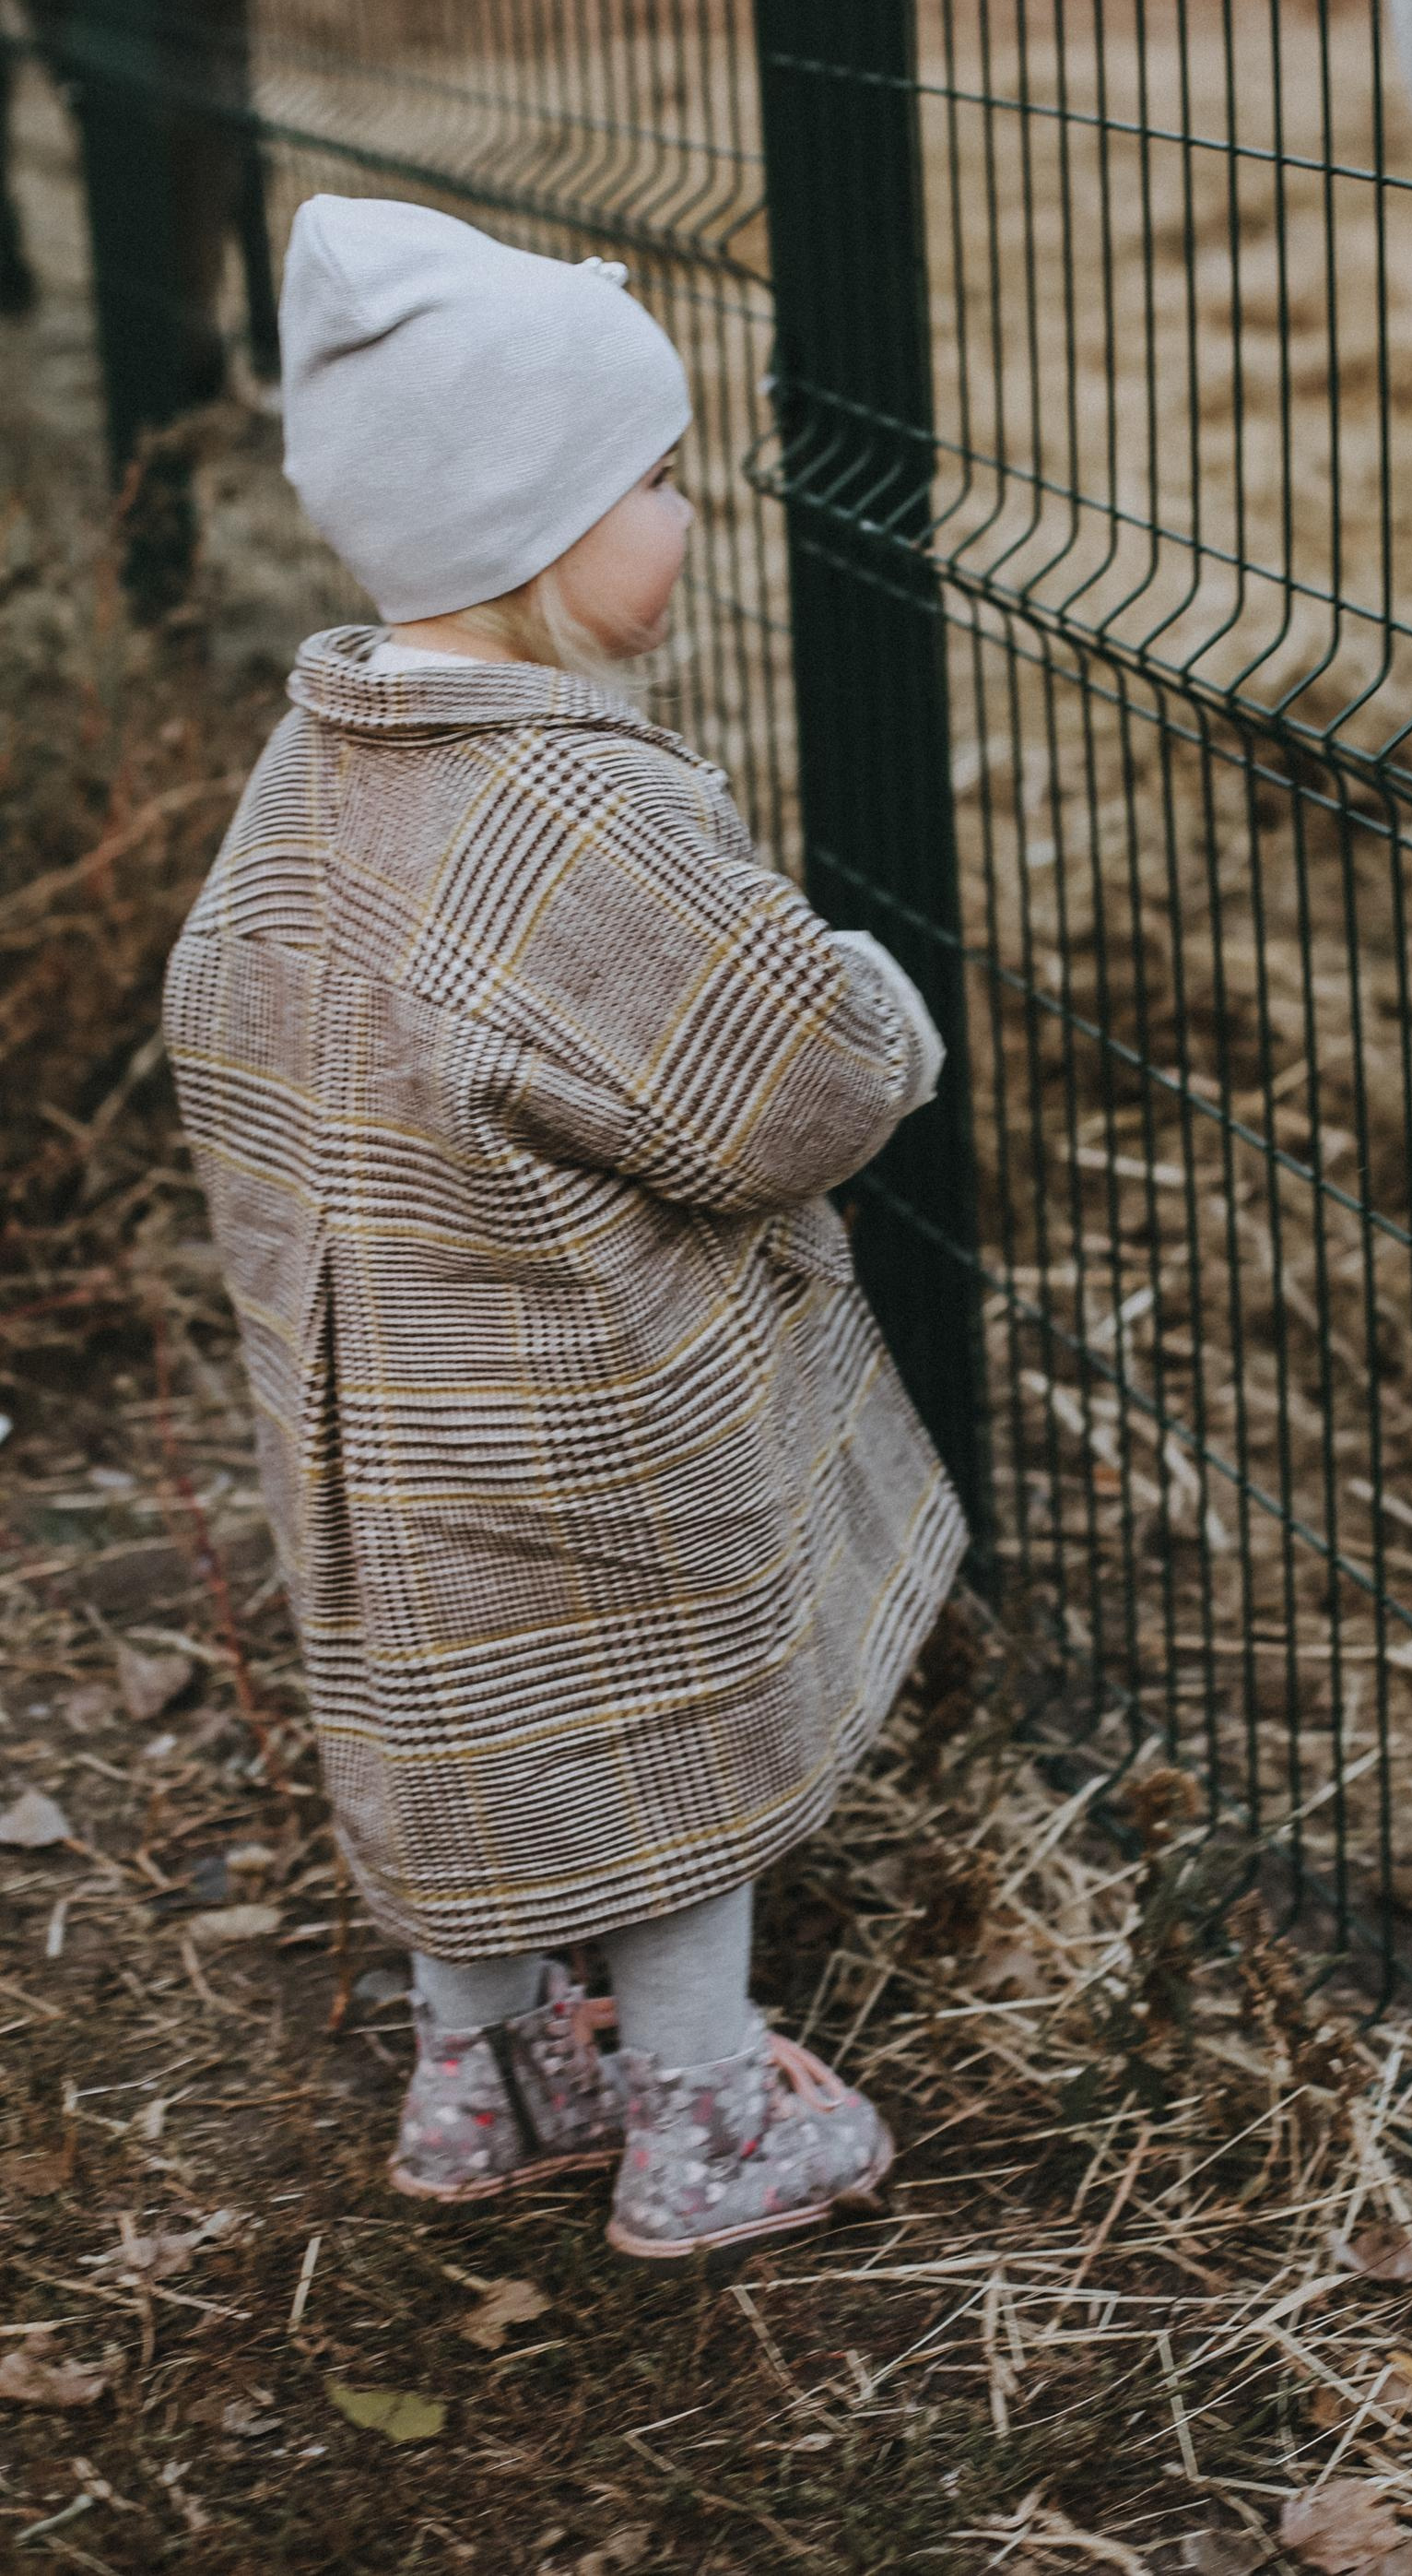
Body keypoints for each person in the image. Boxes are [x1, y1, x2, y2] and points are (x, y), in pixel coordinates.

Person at [164, 195, 965, 2261]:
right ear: (533, 527)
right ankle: (701, 2113)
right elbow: (792, 1081)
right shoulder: (573, 815)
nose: (694, 514)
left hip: (390, 1411)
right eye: (663, 479)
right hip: (587, 1408)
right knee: (658, 1711)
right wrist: (881, 995)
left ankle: (488, 2069)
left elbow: (229, 1003)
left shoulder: (316, 761)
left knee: (460, 1718)